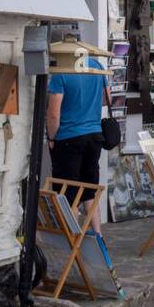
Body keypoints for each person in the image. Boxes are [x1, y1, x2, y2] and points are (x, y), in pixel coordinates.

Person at [47, 54, 110, 232]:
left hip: (68, 137)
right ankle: (98, 235)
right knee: (89, 188)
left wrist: (51, 138)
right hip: (94, 135)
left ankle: (72, 238)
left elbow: (53, 113)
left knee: (68, 193)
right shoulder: (96, 66)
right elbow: (107, 99)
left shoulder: (61, 72)